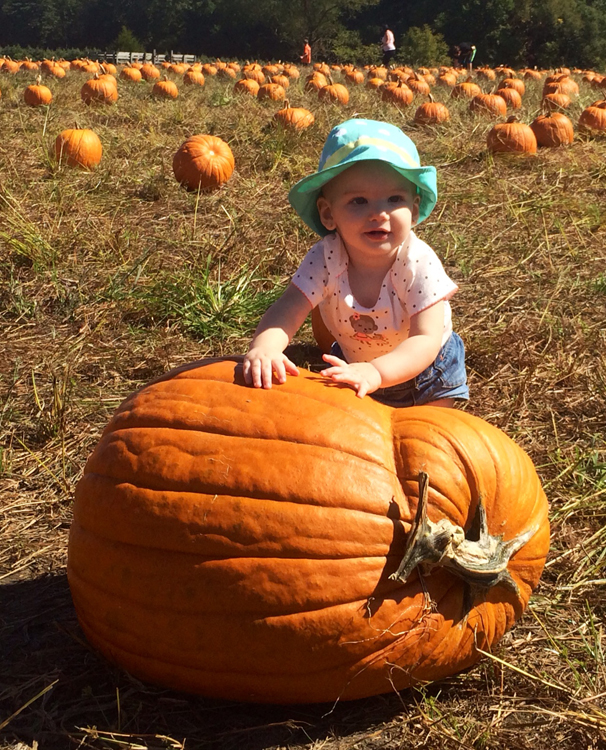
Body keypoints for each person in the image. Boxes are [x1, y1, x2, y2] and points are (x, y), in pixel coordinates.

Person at [243, 119, 469, 408]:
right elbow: (289, 306)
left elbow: (425, 339)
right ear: (328, 214)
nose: (379, 213)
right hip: (356, 365)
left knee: (430, 436)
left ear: (413, 210)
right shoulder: (325, 258)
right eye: (359, 201)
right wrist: (265, 347)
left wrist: (377, 371)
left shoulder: (418, 263)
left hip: (426, 374)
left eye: (394, 199)